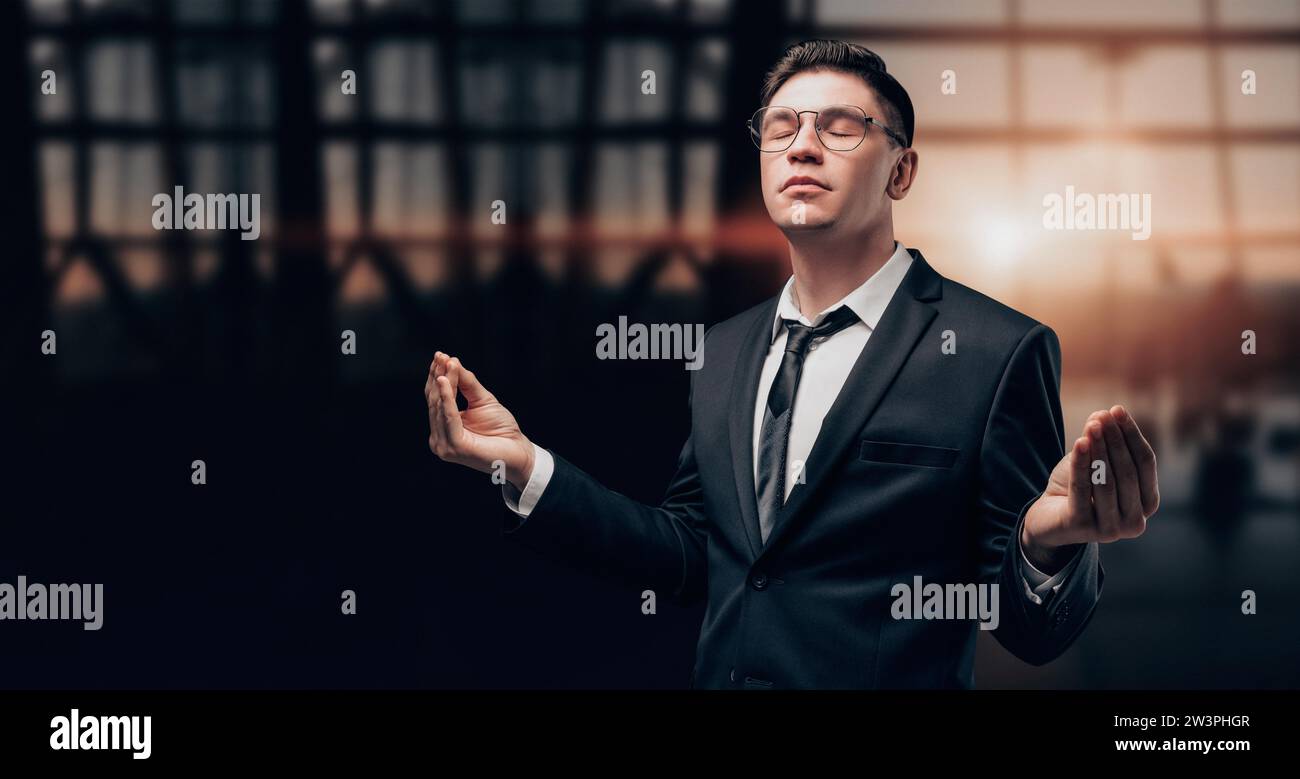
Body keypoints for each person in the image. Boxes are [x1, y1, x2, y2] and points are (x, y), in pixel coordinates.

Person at [424, 39, 1159, 689]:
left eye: (841, 127)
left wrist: (1045, 541)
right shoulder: (722, 353)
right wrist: (527, 465)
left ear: (901, 172)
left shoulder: (998, 350)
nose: (802, 146)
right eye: (782, 129)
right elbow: (692, 556)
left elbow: (1030, 632)